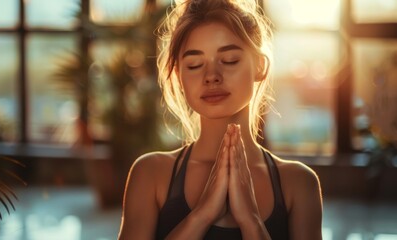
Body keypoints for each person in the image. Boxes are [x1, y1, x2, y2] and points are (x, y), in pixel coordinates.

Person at [118, 0, 323, 239]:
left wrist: (251, 221)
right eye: (194, 65)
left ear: (260, 66)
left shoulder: (299, 183)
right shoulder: (150, 173)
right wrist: (202, 214)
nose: (211, 76)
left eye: (229, 60)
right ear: (178, 75)